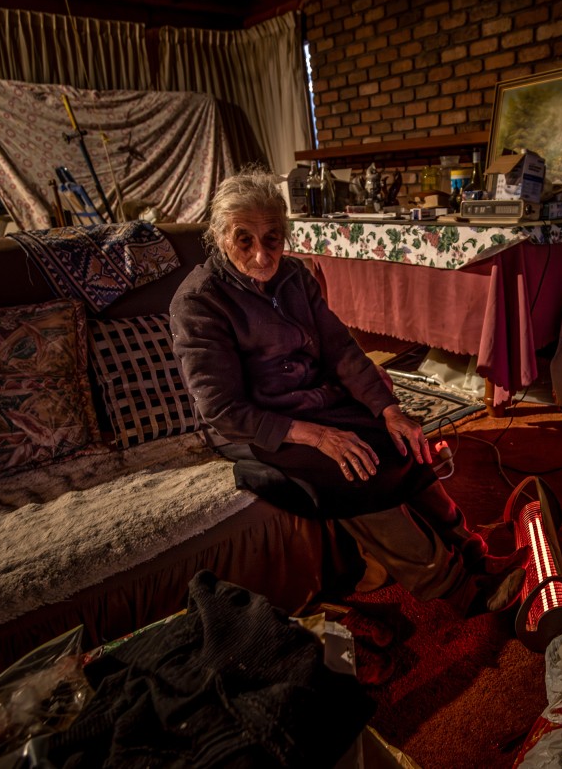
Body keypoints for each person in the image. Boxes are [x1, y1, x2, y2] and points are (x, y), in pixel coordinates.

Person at [169, 168, 526, 616]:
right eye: (245, 240)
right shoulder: (199, 301)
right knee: (359, 468)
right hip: (256, 427)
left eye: (272, 239)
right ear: (221, 238)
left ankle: (475, 553)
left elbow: (340, 348)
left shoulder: (294, 276)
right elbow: (221, 407)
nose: (262, 256)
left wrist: (389, 409)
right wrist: (318, 436)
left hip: (313, 400)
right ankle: (455, 589)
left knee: (402, 443)